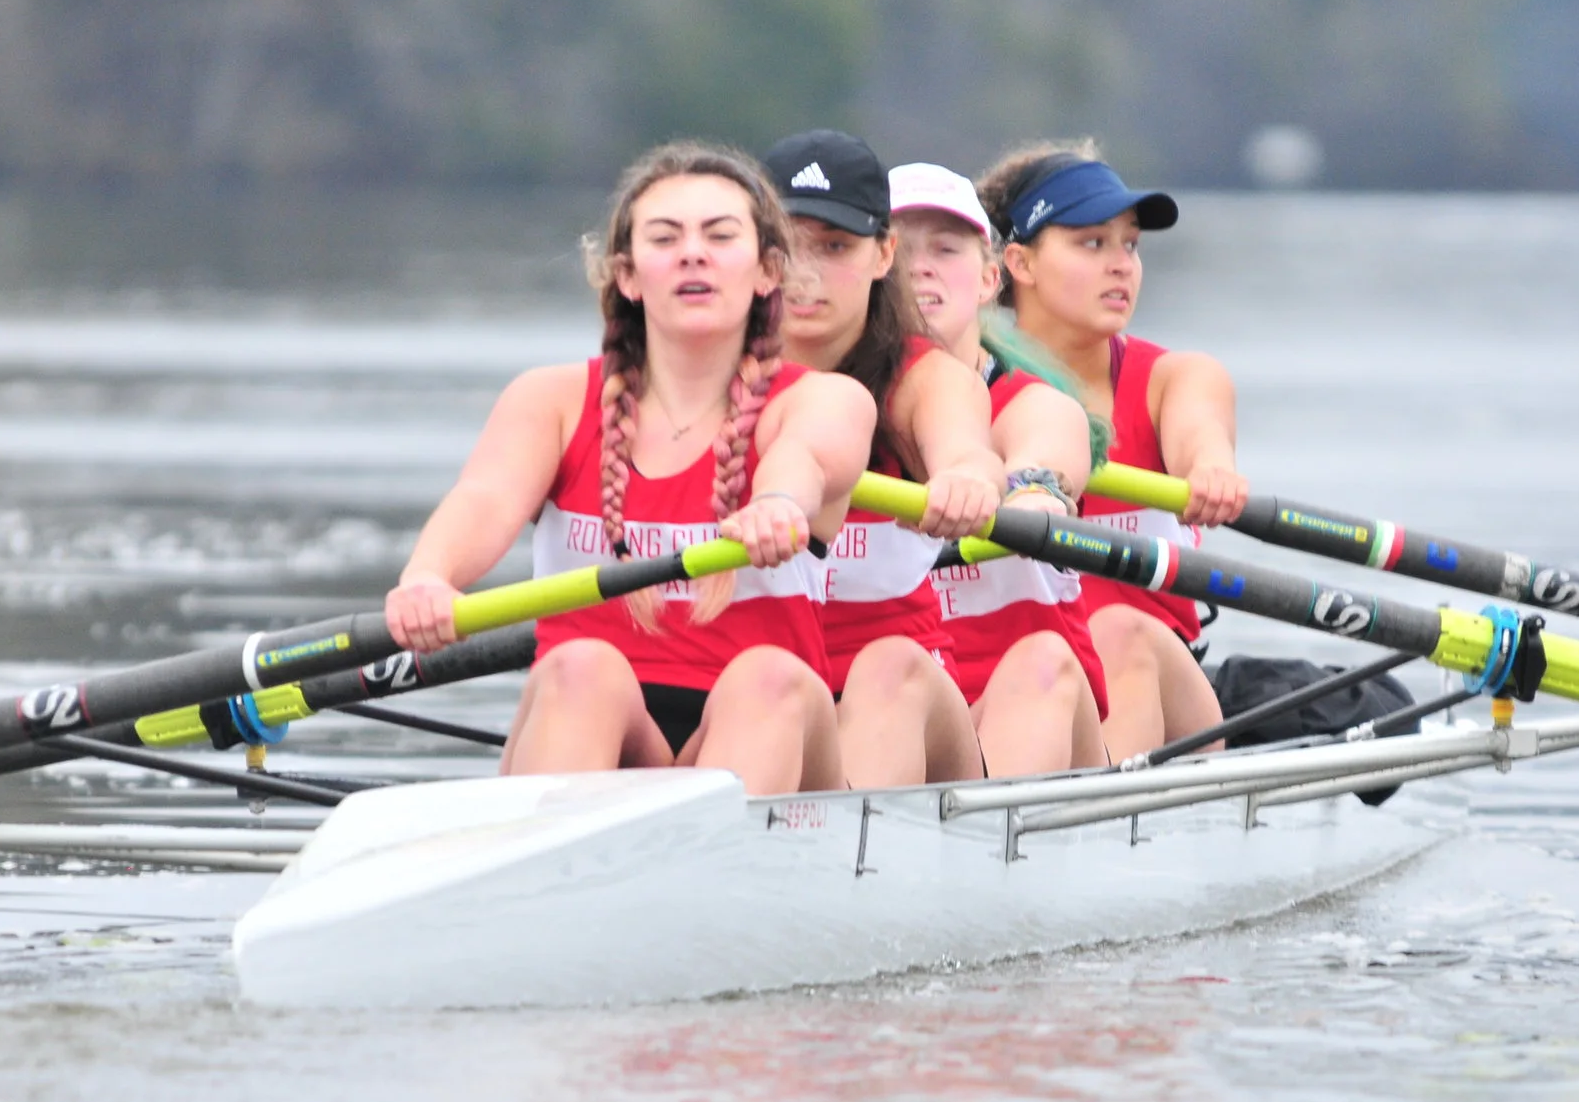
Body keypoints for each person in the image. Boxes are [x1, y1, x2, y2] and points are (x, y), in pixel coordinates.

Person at [385, 142, 876, 796]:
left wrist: (779, 502)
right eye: (665, 238)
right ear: (628, 276)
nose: (693, 254)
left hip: (773, 730)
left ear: (767, 271)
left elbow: (805, 456)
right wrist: (428, 576)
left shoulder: (824, 399)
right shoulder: (551, 401)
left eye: (719, 236)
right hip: (596, 723)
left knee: (768, 676)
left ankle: (704, 850)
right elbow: (486, 498)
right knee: (583, 668)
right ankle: (562, 847)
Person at [976, 142, 1248, 762]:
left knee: (1116, 632)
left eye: (1130, 245)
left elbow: (1201, 438)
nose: (1121, 265)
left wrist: (1211, 472)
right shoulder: (955, 389)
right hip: (1020, 685)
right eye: (1092, 244)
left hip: (1161, 692)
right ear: (1019, 262)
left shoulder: (1175, 380)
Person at [762, 130, 1001, 788]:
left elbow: (967, 449)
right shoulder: (710, 375)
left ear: (883, 254)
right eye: (788, 247)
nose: (807, 274)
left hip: (905, 705)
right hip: (764, 697)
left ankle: (847, 844)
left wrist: (965, 480)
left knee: (887, 666)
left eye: (835, 247)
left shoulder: (924, 377)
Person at [891, 161, 1110, 776]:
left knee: (1042, 660)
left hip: (1026, 710)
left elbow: (1044, 463)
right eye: (900, 250)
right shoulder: (828, 410)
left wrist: (1032, 496)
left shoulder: (1032, 406)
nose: (921, 267)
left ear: (990, 278)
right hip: (902, 711)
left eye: (945, 249)